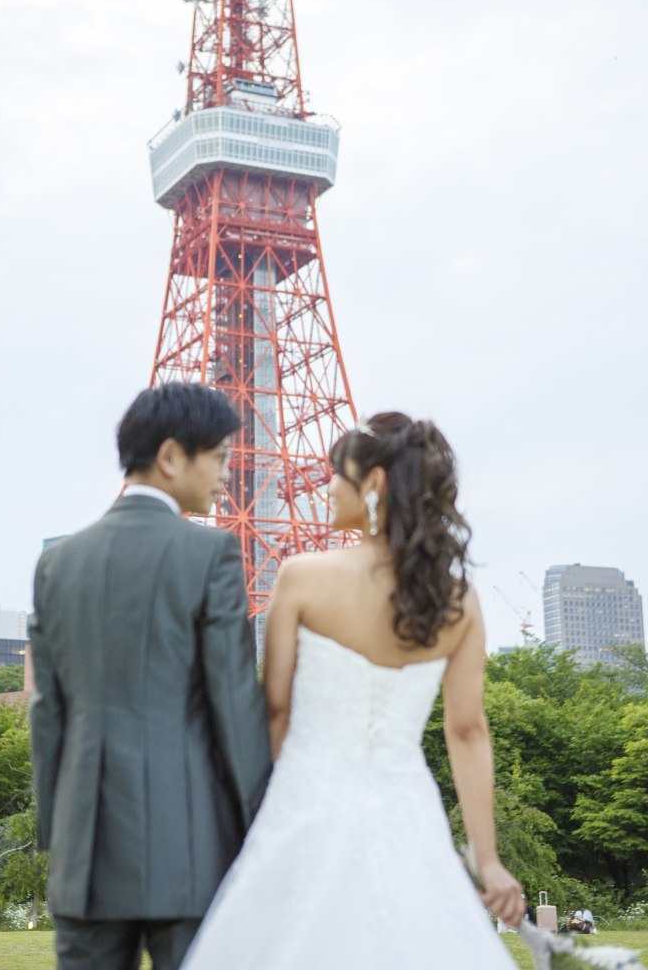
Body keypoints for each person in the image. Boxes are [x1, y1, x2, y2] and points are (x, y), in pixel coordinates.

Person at [182, 412, 524, 970]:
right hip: (406, 808)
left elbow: (275, 711)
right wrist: (487, 860)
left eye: (336, 475)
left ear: (374, 483)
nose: (326, 488)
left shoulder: (302, 577)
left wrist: (261, 812)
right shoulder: (459, 601)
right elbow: (467, 731)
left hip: (304, 800)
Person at [29, 383, 272, 970]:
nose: (225, 475)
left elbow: (47, 714)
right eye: (218, 457)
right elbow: (234, 702)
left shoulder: (56, 564)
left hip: (84, 850)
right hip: (190, 843)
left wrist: (57, 833)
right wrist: (262, 821)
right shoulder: (210, 554)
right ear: (170, 456)